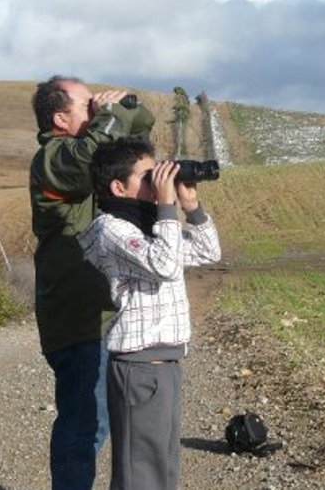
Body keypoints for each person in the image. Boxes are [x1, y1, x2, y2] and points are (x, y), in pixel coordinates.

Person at [29, 76, 155, 490]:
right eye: (87, 105)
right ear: (60, 118)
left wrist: (128, 110)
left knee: (105, 419)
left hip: (104, 312)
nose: (96, 109)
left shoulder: (86, 148)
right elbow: (84, 165)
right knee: (86, 423)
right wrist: (110, 117)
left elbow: (138, 137)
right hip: (79, 315)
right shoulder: (51, 158)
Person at [77, 136, 221, 490]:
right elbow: (166, 265)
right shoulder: (109, 228)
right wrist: (167, 208)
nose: (158, 180)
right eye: (147, 176)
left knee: (162, 469)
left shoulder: (151, 227)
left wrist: (191, 206)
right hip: (139, 368)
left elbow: (208, 252)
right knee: (140, 476)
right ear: (117, 186)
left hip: (164, 366)